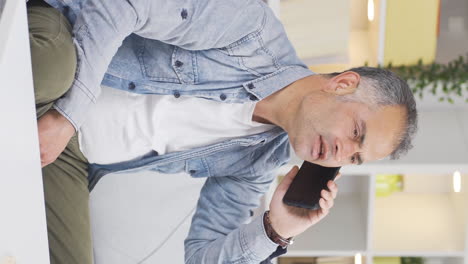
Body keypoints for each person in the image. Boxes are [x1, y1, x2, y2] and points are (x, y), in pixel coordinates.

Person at [27, 0, 418, 263]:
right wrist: (67, 116)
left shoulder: (258, 164)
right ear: (342, 84)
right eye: (356, 133)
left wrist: (274, 230)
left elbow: (199, 256)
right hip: (66, 46)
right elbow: (121, 6)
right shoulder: (250, 30)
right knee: (51, 68)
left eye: (353, 158)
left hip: (71, 154)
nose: (339, 153)